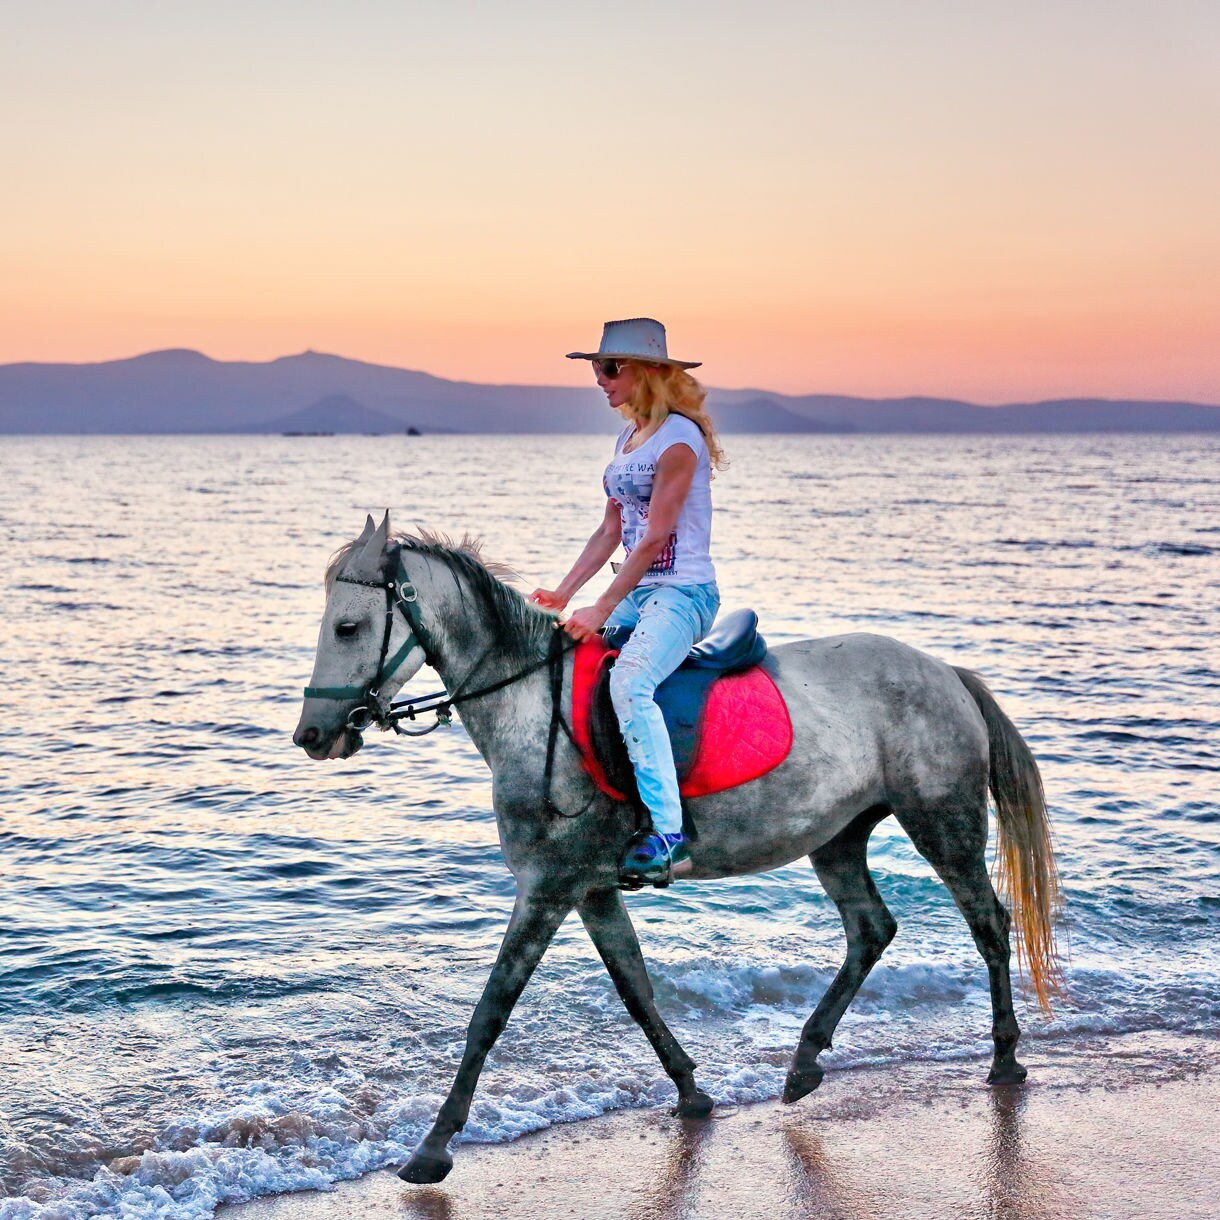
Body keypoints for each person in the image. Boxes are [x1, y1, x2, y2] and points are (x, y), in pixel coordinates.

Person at [530, 318, 727, 885]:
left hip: (683, 593)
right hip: (637, 591)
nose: (600, 379)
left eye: (610, 367)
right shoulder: (628, 439)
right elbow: (611, 529)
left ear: (648, 372)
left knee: (629, 682)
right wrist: (565, 594)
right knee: (566, 656)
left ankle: (669, 833)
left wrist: (600, 607)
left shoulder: (680, 440)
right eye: (596, 367)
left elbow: (656, 536)